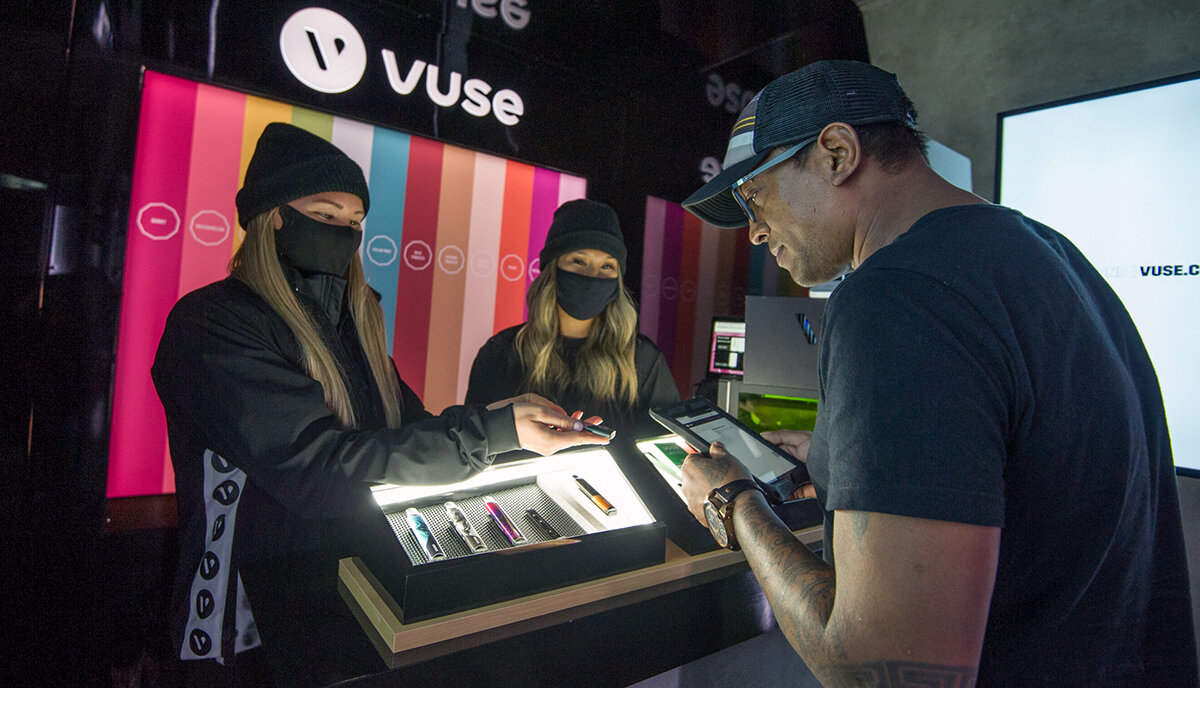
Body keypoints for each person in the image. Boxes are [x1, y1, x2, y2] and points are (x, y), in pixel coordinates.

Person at [678, 60, 1197, 687]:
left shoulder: (894, 296)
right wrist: (859, 465)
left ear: (837, 153)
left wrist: (735, 504)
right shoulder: (1055, 258)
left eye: (756, 197)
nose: (757, 232)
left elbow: (887, 677)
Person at [151, 123, 606, 681]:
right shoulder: (212, 324)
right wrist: (491, 433)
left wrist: (507, 427)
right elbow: (316, 468)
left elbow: (406, 431)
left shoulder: (354, 322)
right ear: (274, 214)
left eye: (355, 221)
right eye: (326, 213)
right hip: (242, 625)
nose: (344, 231)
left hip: (351, 602)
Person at [465, 199, 680, 437]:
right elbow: (475, 441)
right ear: (552, 269)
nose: (593, 275)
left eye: (607, 266)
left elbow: (668, 447)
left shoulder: (643, 360)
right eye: (579, 261)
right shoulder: (500, 353)